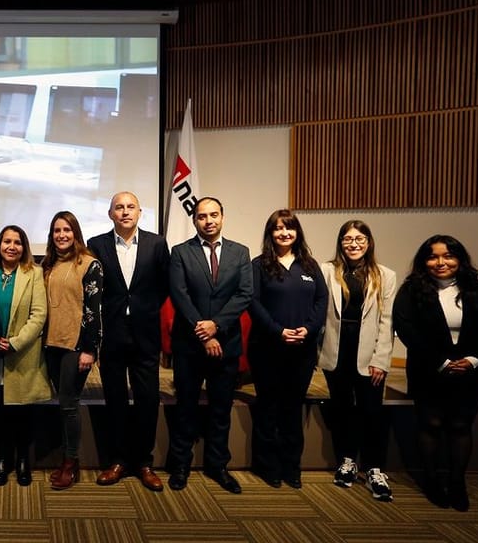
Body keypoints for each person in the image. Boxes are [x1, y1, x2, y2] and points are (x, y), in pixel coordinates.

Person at [393, 235, 478, 512]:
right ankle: (431, 482)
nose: (440, 262)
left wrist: (473, 360)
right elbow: (407, 330)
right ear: (424, 261)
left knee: (460, 427)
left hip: (470, 373)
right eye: (433, 256)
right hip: (428, 371)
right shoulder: (411, 290)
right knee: (429, 425)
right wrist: (440, 362)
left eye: (448, 256)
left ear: (459, 259)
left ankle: (456, 483)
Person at [166, 197, 251, 494]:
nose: (209, 220)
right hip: (189, 345)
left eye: (214, 215)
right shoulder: (180, 252)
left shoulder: (240, 253)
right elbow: (179, 294)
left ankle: (218, 466)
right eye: (202, 216)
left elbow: (244, 294)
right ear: (195, 221)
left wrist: (217, 325)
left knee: (220, 410)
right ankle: (180, 465)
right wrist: (205, 332)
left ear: (223, 217)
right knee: (185, 408)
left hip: (226, 344)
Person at [87, 192, 169, 492]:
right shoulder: (96, 244)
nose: (125, 212)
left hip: (146, 333)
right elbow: (94, 289)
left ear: (139, 212)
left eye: (130, 207)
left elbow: (164, 285)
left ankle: (144, 462)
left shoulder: (156, 244)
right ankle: (119, 460)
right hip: (111, 332)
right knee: (116, 399)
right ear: (110, 214)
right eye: (118, 207)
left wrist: (144, 311)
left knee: (148, 400)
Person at [247, 209, 327, 490]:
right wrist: (278, 331)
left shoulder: (310, 265)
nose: (284, 233)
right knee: (268, 408)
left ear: (297, 232)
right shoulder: (258, 265)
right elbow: (252, 303)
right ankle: (268, 466)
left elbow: (321, 301)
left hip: (302, 351)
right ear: (270, 234)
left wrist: (309, 329)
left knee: (293, 409)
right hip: (267, 349)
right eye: (278, 228)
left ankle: (292, 466)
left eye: (289, 228)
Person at [318, 220, 397, 501]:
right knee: (341, 410)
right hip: (336, 351)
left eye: (360, 239)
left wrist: (382, 359)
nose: (353, 244)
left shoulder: (385, 275)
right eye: (347, 239)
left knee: (371, 411)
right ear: (340, 243)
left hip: (369, 355)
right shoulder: (327, 271)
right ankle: (347, 461)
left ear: (369, 242)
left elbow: (387, 322)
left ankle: (374, 468)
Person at [0, 225, 49, 487]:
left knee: (22, 414)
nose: (11, 246)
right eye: (6, 241)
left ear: (24, 247)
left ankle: (22, 462)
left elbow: (39, 315)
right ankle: (0, 460)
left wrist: (15, 343)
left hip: (21, 355)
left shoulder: (35, 273)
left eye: (17, 242)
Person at [41, 211, 103, 490]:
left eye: (67, 230)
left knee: (69, 404)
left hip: (75, 346)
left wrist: (90, 350)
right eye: (57, 230)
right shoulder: (48, 264)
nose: (61, 235)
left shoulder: (89, 265)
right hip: (51, 344)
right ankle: (67, 457)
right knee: (63, 402)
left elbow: (94, 311)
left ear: (75, 233)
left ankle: (71, 462)